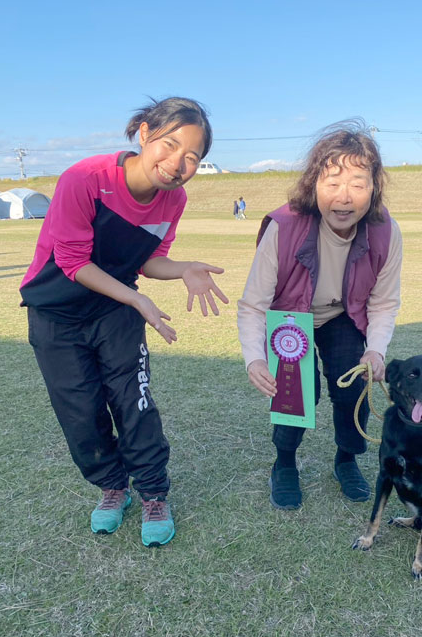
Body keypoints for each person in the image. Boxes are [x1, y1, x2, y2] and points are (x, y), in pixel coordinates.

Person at [20, 96, 229, 546]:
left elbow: (150, 259)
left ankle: (153, 493)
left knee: (135, 401)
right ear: (145, 133)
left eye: (192, 157)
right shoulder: (85, 179)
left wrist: (183, 268)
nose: (177, 164)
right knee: (79, 411)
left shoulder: (174, 199)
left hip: (113, 310)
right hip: (55, 311)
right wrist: (136, 298)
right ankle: (113, 488)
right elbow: (74, 262)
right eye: (170, 145)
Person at [237, 121, 402, 510]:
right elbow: (253, 304)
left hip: (341, 314)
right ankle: (285, 463)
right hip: (289, 319)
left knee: (352, 381)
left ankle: (346, 460)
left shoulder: (385, 232)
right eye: (333, 183)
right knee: (297, 390)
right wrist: (254, 358)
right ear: (314, 185)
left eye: (358, 184)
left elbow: (383, 301)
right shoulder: (284, 227)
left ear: (374, 188)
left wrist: (376, 349)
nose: (344, 197)